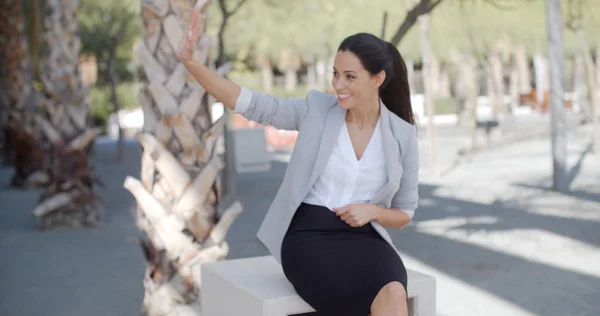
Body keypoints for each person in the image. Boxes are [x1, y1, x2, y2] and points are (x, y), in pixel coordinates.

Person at [177, 8, 419, 316]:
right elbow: (252, 104)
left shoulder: (402, 135)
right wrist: (190, 63)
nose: (338, 85)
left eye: (350, 76)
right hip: (309, 237)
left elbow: (405, 212)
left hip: (366, 238)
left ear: (378, 79)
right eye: (335, 73)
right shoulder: (317, 110)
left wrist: (373, 211)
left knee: (394, 293)